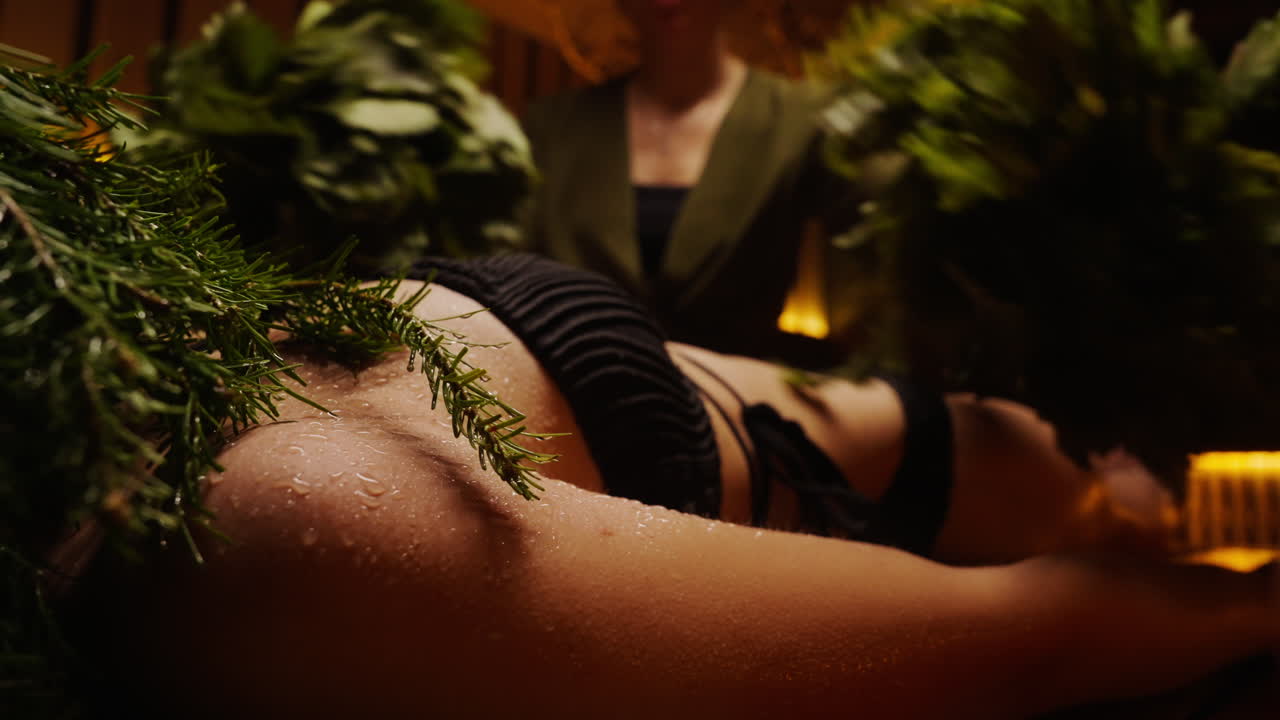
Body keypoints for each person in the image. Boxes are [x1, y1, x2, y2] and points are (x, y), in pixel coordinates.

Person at [73, 253, 1280, 719]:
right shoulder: (274, 547)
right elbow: (1014, 642)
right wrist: (1254, 604)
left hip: (606, 372)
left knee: (1115, 487)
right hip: (683, 453)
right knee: (1121, 534)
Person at [520, 0, 849, 366]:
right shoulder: (551, 129)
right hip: (567, 405)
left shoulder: (804, 120)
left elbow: (887, 267)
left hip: (735, 407)